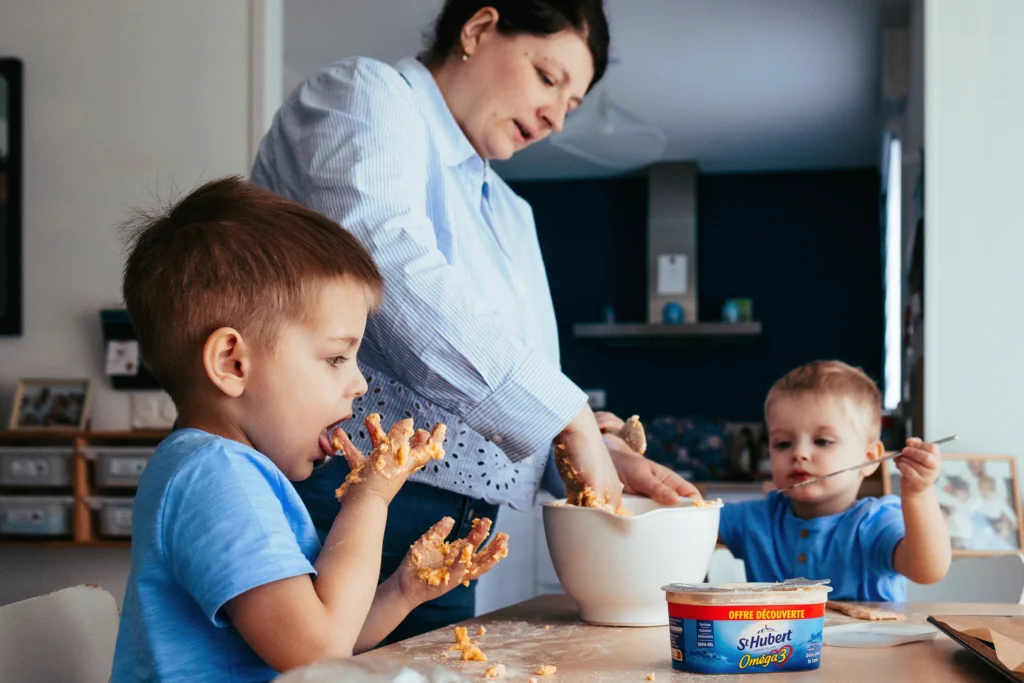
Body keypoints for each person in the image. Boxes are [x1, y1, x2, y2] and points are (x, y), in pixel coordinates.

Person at [251, 0, 699, 640]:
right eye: (548, 77)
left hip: (455, 534)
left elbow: (524, 383)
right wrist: (566, 416)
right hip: (337, 489)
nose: (554, 117)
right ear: (479, 28)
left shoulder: (513, 214)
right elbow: (384, 263)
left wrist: (587, 451)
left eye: (571, 106)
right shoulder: (364, 95)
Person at [110, 177, 508, 682]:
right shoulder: (217, 477)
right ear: (232, 363)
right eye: (336, 357)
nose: (359, 383)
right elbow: (315, 651)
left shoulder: (226, 470)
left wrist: (402, 591)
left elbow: (324, 632)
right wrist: (369, 500)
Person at [717, 360, 951, 601]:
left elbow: (928, 571)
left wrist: (919, 493)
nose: (800, 453)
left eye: (822, 441)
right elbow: (693, 518)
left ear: (869, 459)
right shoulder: (754, 519)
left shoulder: (876, 522)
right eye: (783, 443)